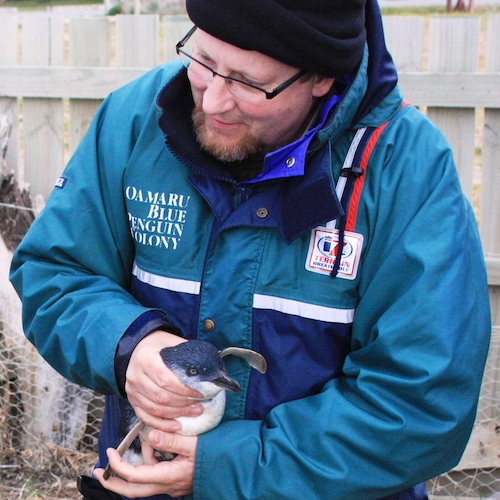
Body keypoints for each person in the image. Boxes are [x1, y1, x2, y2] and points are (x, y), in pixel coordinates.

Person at [10, 0, 491, 498]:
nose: (214, 101)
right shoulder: (136, 119)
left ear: (322, 77)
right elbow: (54, 271)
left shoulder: (405, 169)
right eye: (203, 61)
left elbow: (422, 405)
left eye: (247, 82)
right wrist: (128, 347)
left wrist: (230, 466)